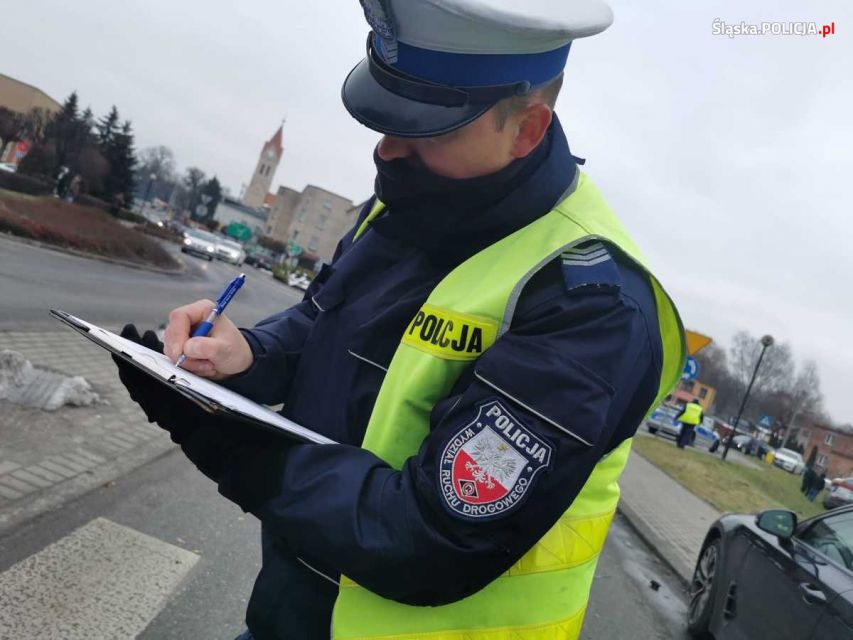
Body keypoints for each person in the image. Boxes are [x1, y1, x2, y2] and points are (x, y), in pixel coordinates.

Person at [115, 2, 685, 638]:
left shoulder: (591, 301)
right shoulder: (403, 204)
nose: (387, 150)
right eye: (385, 120)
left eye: (427, 129)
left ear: (525, 129)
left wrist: (232, 446)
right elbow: (321, 325)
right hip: (291, 611)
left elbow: (432, 536)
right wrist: (244, 355)